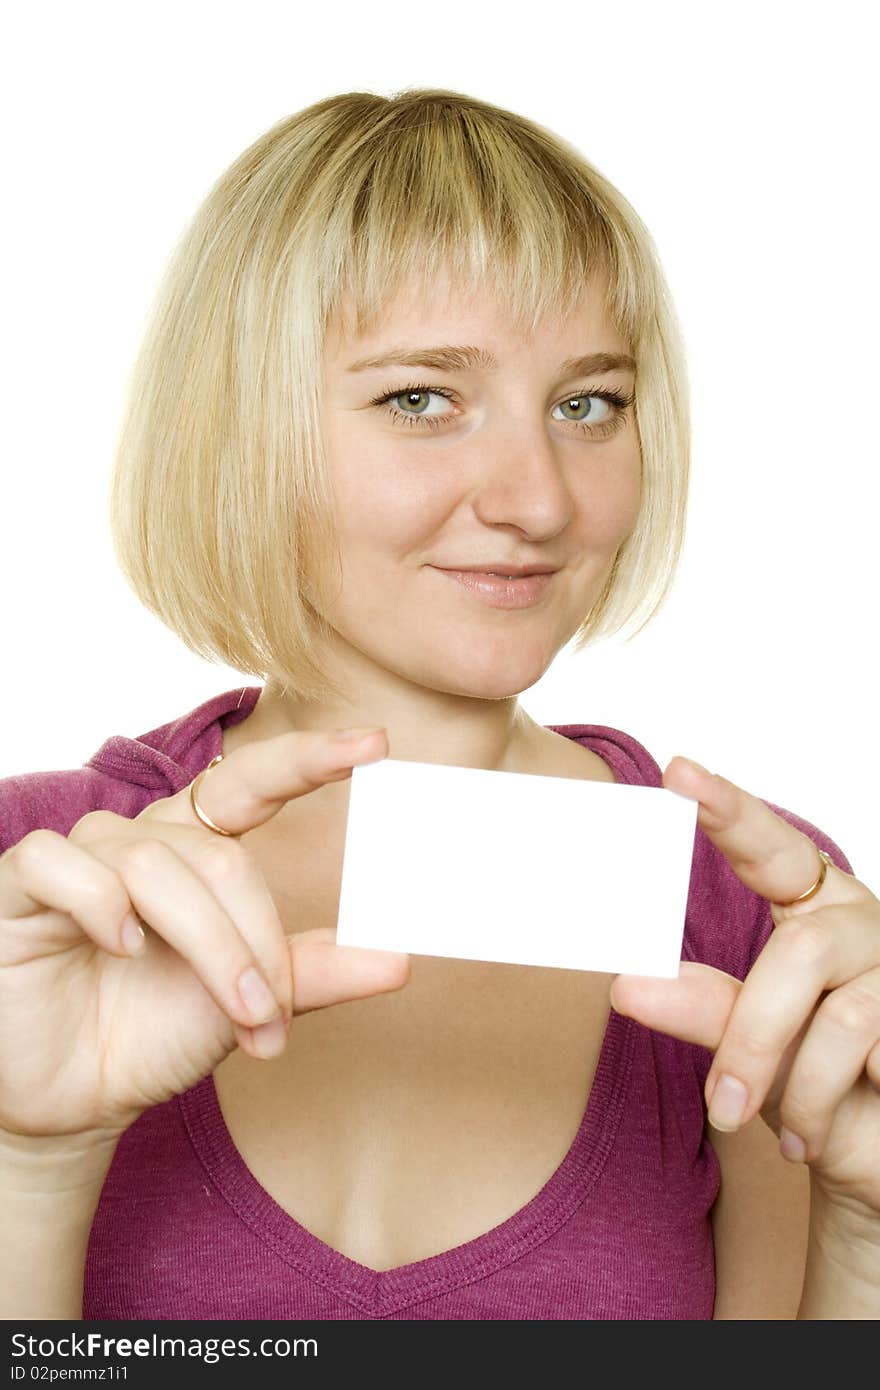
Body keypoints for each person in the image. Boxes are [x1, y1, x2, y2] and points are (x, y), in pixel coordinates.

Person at [1, 87, 878, 1323]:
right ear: (243, 425)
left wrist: (869, 1232)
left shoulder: (743, 909)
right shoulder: (35, 889)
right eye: (422, 398)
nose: (536, 499)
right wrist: (27, 1167)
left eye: (589, 403)